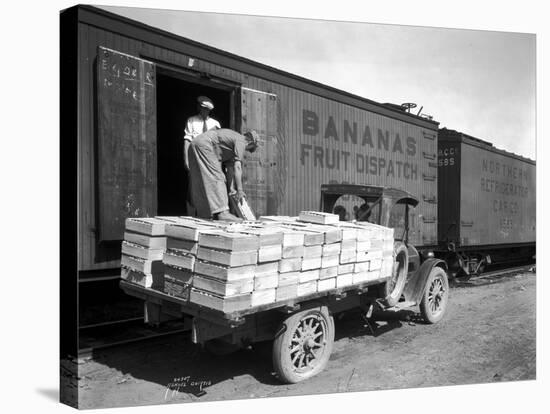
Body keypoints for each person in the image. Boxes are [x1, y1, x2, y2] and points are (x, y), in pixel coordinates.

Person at [188, 128, 259, 221]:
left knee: (200, 179)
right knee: (218, 177)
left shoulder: (231, 145)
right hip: (205, 144)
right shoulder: (241, 141)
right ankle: (222, 213)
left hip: (195, 143)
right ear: (250, 143)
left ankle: (204, 214)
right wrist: (240, 190)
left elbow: (230, 170)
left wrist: (231, 189)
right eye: (249, 149)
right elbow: (237, 167)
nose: (246, 151)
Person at [183, 96, 221, 172]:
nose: (204, 110)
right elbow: (187, 141)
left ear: (210, 110)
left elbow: (218, 145)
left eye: (207, 109)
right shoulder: (191, 120)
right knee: (195, 182)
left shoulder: (215, 123)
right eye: (202, 107)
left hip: (210, 158)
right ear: (199, 107)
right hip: (195, 156)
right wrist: (186, 159)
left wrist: (219, 163)